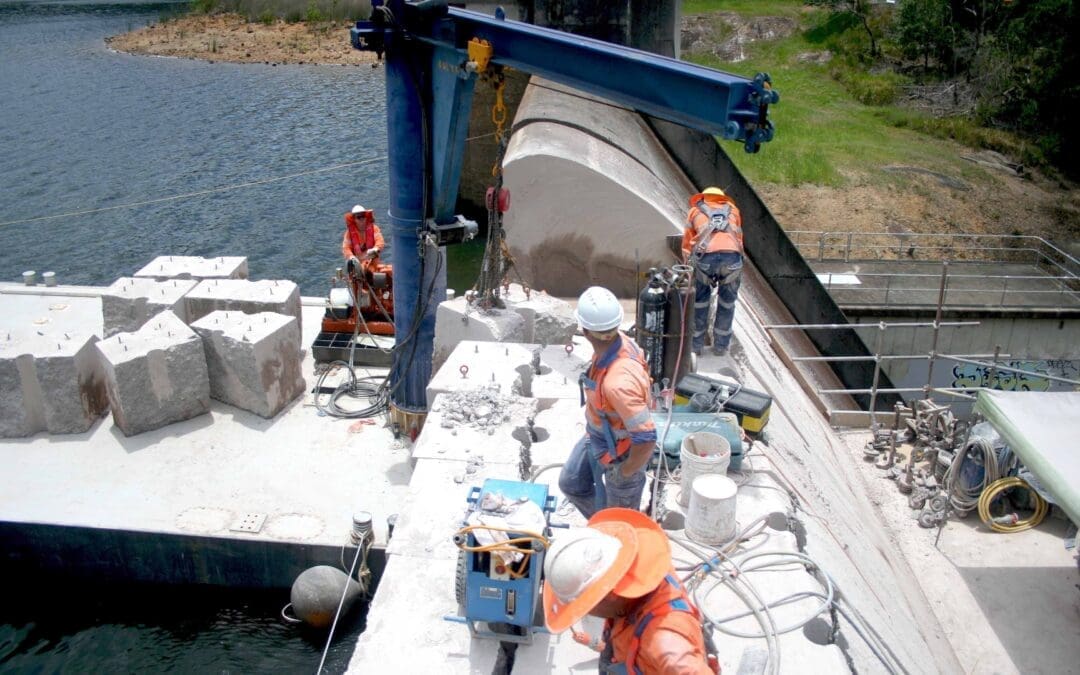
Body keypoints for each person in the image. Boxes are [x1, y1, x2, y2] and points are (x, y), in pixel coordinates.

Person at [543, 508, 718, 674]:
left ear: (609, 595)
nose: (584, 613)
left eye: (585, 607)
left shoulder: (665, 645)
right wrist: (592, 642)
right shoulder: (639, 574)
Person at [559, 286, 656, 520]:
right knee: (571, 482)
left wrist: (625, 472)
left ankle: (616, 531)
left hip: (622, 451)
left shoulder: (618, 383)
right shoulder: (618, 341)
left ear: (586, 331)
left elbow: (646, 438)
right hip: (599, 435)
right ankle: (603, 522)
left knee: (620, 522)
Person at [680, 187, 744, 357]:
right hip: (732, 259)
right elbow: (739, 239)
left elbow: (687, 242)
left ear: (703, 198)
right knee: (727, 303)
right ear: (722, 199)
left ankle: (696, 346)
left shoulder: (695, 212)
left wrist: (687, 265)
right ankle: (721, 347)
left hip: (705, 258)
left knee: (700, 302)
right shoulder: (733, 211)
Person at [341, 204, 385, 276]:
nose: (361, 219)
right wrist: (351, 257)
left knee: (380, 275)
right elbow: (346, 248)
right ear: (354, 219)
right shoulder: (349, 233)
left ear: (366, 217)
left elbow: (380, 241)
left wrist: (375, 248)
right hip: (357, 265)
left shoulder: (374, 228)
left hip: (373, 262)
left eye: (363, 216)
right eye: (358, 217)